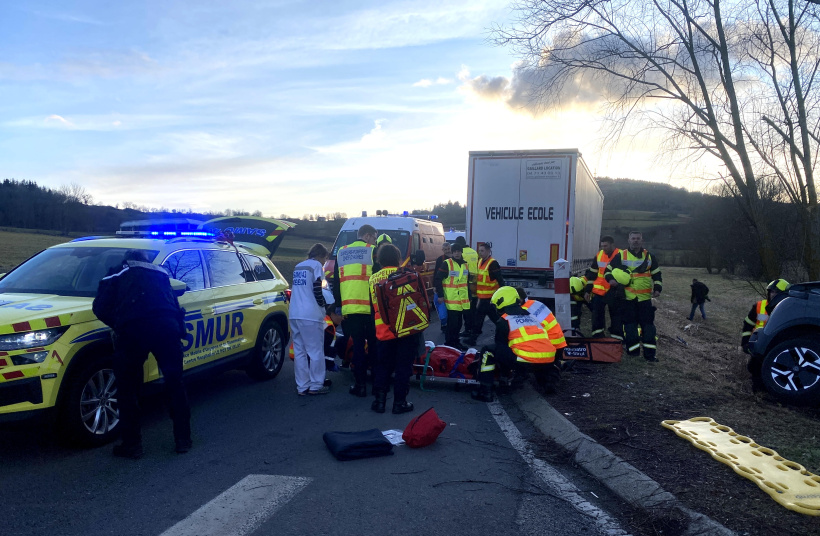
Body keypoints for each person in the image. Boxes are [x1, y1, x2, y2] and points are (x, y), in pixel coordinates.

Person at [92, 249, 191, 459]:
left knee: (127, 388)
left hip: (134, 331)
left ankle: (132, 445)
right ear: (146, 260)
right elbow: (174, 305)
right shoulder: (161, 273)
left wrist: (119, 324)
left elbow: (99, 307)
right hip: (167, 329)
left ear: (126, 258)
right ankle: (183, 440)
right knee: (175, 383)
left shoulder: (118, 271)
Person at [471, 286, 560, 401]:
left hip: (526, 361)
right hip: (549, 359)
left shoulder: (504, 320)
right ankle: (546, 382)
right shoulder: (532, 317)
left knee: (488, 351)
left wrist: (504, 374)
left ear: (500, 303)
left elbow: (501, 348)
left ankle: (485, 392)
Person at [369, 244, 418, 414]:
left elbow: (372, 306)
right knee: (403, 367)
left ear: (380, 260)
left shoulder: (373, 278)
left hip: (383, 331)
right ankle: (399, 403)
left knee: (383, 365)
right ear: (398, 258)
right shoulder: (407, 275)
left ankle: (380, 401)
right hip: (405, 328)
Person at [333, 224, 378, 397]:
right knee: (374, 345)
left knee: (358, 346)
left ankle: (360, 386)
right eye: (374, 237)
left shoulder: (342, 252)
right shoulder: (372, 251)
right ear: (367, 236)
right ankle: (376, 384)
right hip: (371, 308)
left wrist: (339, 305)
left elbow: (337, 282)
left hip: (350, 308)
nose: (374, 240)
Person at [605, 231, 662, 362]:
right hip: (628, 298)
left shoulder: (649, 256)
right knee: (630, 326)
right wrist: (611, 280)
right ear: (628, 240)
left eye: (638, 238)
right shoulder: (621, 255)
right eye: (633, 238)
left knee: (648, 327)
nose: (635, 241)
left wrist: (658, 288)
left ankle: (650, 355)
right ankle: (633, 352)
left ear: (642, 240)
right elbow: (607, 270)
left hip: (645, 299)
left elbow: (657, 274)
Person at [290, 243, 334, 396]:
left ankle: (302, 386)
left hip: (294, 313)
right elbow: (318, 287)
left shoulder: (299, 266)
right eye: (325, 259)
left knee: (300, 352)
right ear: (321, 256)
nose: (324, 262)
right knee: (315, 351)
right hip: (310, 315)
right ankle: (316, 384)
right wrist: (323, 304)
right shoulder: (316, 266)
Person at [742, 279, 789, 390]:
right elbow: (748, 324)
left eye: (777, 292)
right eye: (771, 291)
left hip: (777, 347)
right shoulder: (759, 306)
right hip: (759, 344)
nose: (773, 295)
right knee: (754, 367)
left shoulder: (789, 309)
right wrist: (745, 342)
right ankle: (757, 394)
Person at [464, 242, 505, 346]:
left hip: (490, 297)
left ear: (488, 251)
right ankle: (506, 335)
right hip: (482, 297)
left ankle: (473, 339)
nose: (480, 253)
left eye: (482, 251)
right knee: (493, 319)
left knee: (481, 319)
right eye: (479, 251)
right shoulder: (480, 261)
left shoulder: (493, 263)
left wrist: (502, 294)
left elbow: (500, 280)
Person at [584, 236, 623, 339]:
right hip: (598, 291)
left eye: (606, 246)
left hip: (613, 291)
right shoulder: (599, 255)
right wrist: (587, 290)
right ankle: (598, 335)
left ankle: (616, 337)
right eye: (602, 246)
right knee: (597, 315)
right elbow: (592, 274)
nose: (603, 248)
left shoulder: (621, 255)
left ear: (612, 245)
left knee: (616, 316)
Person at [434, 242, 470, 349]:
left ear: (461, 252)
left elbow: (466, 283)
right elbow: (438, 278)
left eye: (459, 251)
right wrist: (440, 295)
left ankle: (455, 342)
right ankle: (450, 343)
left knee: (459, 323)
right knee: (452, 324)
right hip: (451, 300)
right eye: (455, 252)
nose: (457, 254)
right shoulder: (447, 263)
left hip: (462, 301)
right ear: (452, 252)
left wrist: (470, 297)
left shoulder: (465, 265)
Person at [517, 287, 568, 362]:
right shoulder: (535, 303)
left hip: (549, 348)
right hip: (560, 344)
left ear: (519, 300)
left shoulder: (524, 311)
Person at [454, 236, 479, 339]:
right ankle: (473, 328)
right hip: (476, 283)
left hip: (466, 283)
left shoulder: (461, 254)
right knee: (473, 308)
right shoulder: (474, 252)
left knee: (466, 309)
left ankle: (468, 329)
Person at [433, 242, 452, 331]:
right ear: (442, 250)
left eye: (448, 249)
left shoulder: (455, 259)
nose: (447, 251)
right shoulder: (440, 259)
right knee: (443, 308)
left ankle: (449, 325)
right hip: (442, 287)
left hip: (452, 288)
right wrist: (434, 286)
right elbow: (436, 274)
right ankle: (444, 325)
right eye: (445, 250)